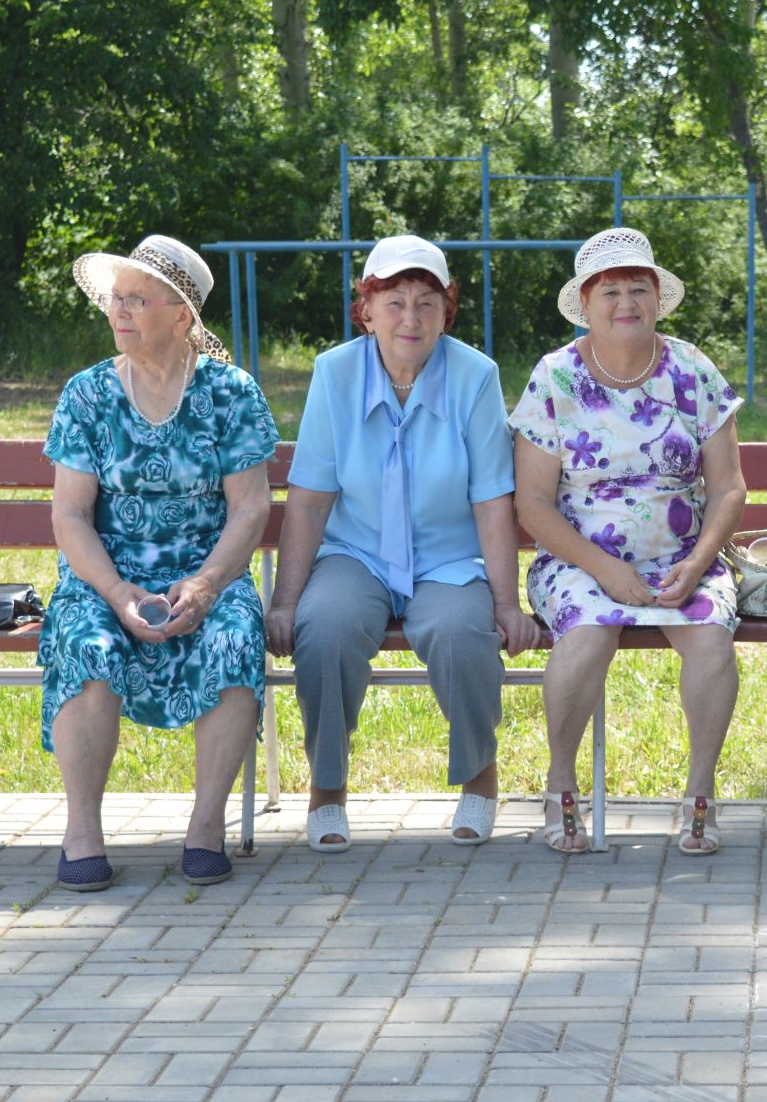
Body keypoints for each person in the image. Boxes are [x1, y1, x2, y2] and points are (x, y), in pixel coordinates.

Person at [266, 235, 539, 853]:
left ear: (448, 310)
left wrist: (504, 603)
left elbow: (492, 501)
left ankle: (479, 775)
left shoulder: (475, 376)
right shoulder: (335, 373)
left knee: (461, 634)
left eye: (426, 302)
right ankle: (327, 789)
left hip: (448, 557)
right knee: (325, 626)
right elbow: (309, 500)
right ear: (366, 309)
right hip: (357, 552)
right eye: (393, 301)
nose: (410, 318)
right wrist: (284, 603)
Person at [41, 235, 278, 891]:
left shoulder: (231, 393)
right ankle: (83, 830)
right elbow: (70, 516)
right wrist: (118, 593)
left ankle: (207, 826)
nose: (120, 310)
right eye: (116, 298)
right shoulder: (87, 394)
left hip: (207, 570)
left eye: (137, 299)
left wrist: (203, 585)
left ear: (182, 317)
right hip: (106, 573)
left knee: (235, 630)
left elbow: (251, 509)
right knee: (85, 638)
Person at [511, 228, 746, 855]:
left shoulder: (693, 369)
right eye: (609, 291)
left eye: (637, 288)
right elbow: (532, 502)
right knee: (587, 635)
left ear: (657, 298)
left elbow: (728, 489)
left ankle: (701, 794)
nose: (625, 303)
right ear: (585, 304)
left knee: (711, 641)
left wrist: (698, 564)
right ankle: (561, 784)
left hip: (683, 559)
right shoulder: (555, 376)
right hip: (578, 560)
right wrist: (604, 570)